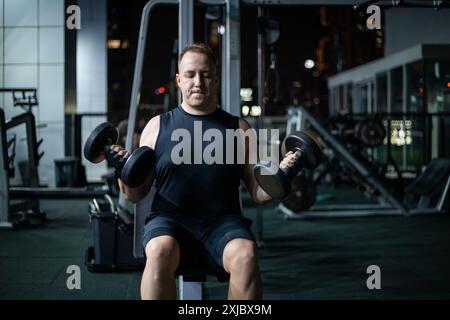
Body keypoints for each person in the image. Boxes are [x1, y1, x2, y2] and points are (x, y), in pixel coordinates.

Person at [113, 43, 299, 300]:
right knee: (157, 250)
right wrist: (125, 173)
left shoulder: (239, 129)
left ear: (216, 79)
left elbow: (258, 193)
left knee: (246, 254)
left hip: (222, 223)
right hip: (169, 221)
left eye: (206, 74)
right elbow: (136, 194)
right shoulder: (157, 127)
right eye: (190, 74)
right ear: (179, 80)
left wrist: (282, 176)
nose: (198, 81)